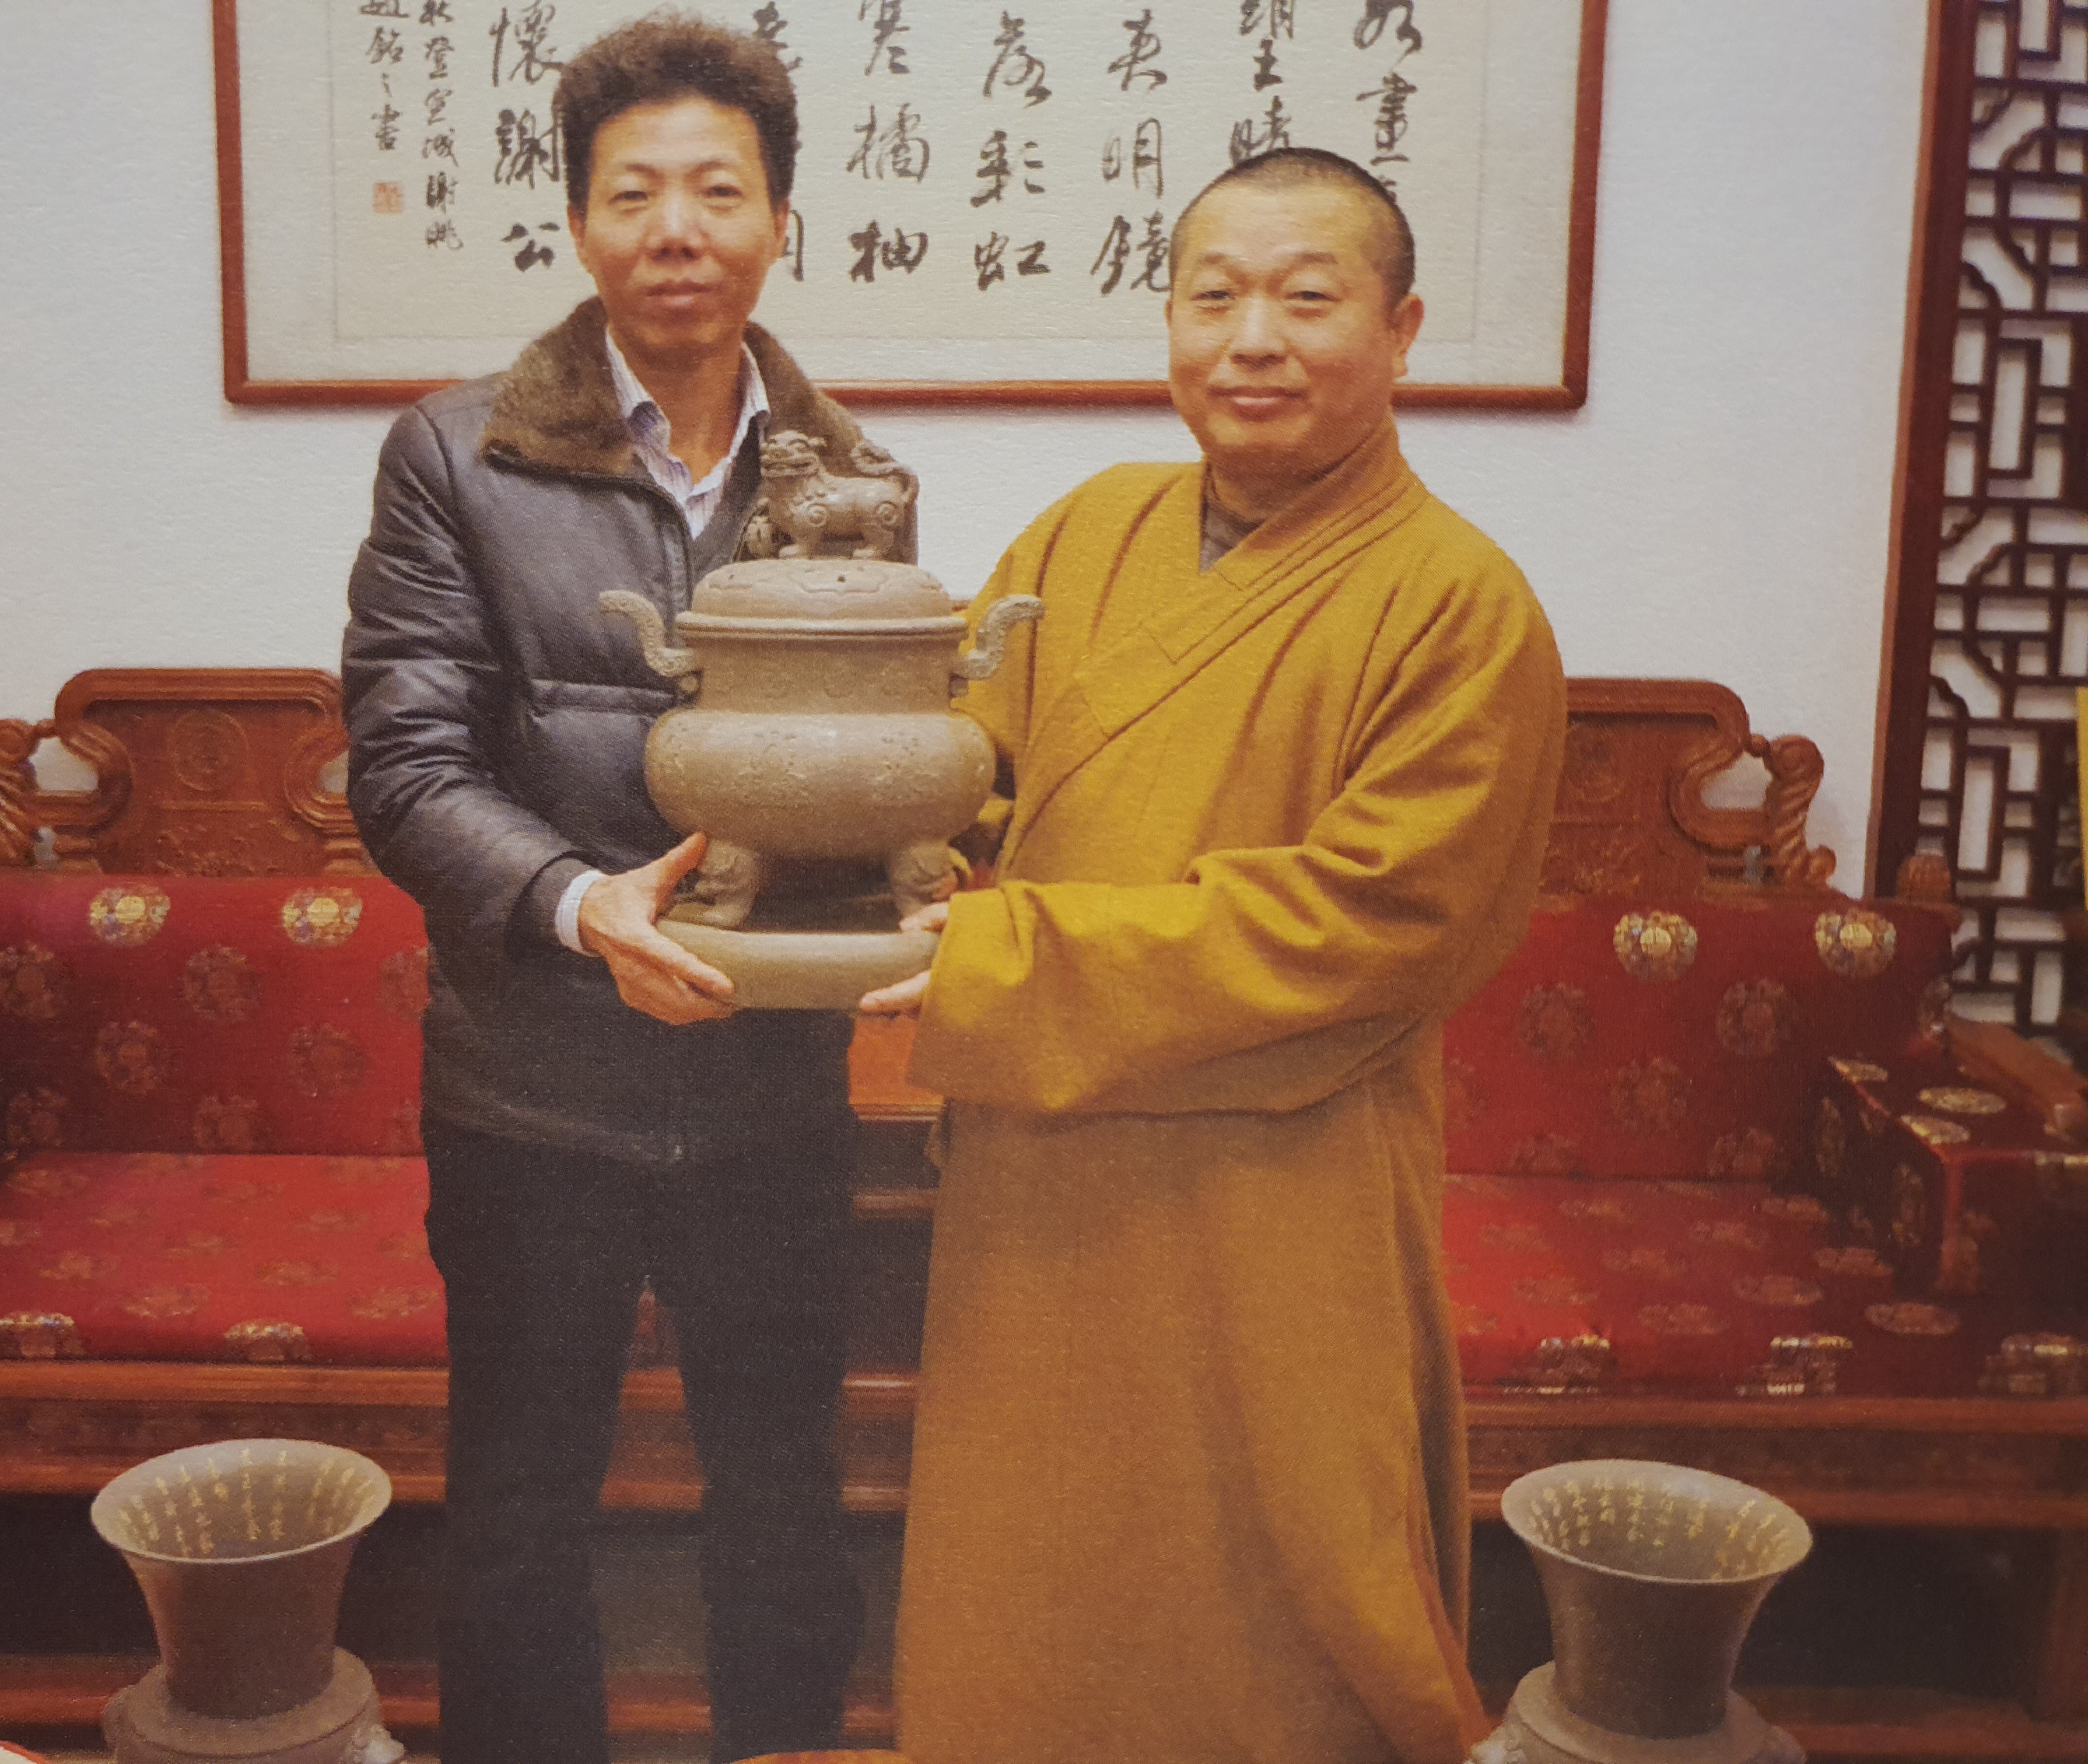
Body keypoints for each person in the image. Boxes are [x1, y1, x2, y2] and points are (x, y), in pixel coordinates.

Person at [864, 148, 1568, 1764]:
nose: (1254, 338)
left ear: (1399, 332)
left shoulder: (1460, 604)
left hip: (1282, 1178)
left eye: (1308, 299)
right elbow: (962, 762)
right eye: (1215, 296)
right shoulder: (1086, 532)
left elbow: (1382, 921)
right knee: (1032, 1559)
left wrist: (1010, 955)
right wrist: (892, 853)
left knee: (1290, 1566)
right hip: (1045, 1168)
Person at [341, 18, 880, 1764]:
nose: (677, 230)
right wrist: (586, 908)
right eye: (634, 192)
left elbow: (870, 763)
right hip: (532, 1090)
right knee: (516, 1511)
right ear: (576, 222)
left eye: (719, 190)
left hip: (769, 1091)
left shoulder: (854, 483)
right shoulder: (454, 458)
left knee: (785, 1498)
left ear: (780, 220)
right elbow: (405, 770)